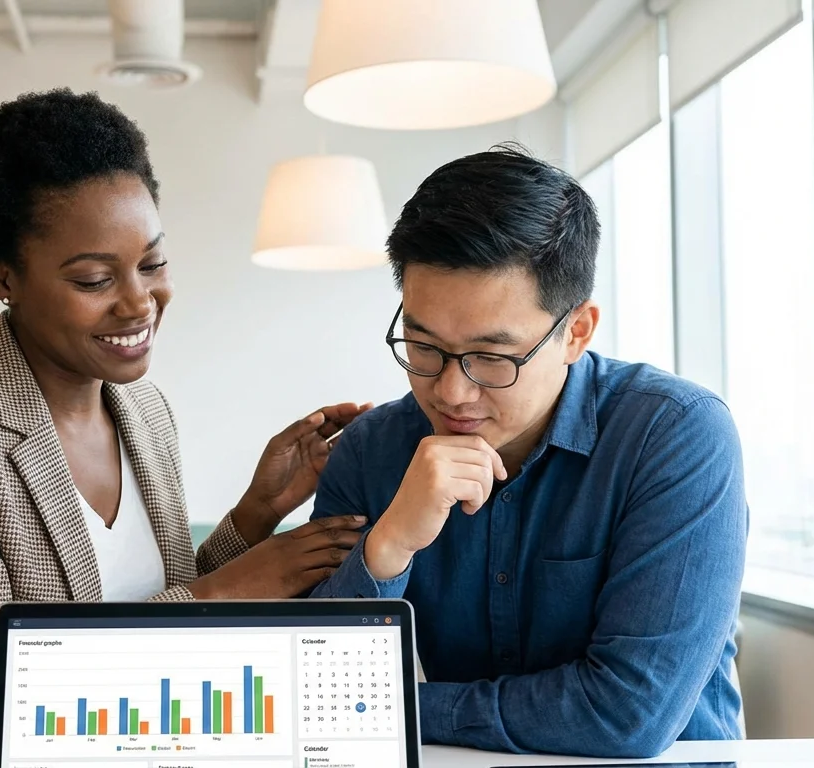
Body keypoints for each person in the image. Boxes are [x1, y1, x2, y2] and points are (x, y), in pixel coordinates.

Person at [0, 89, 369, 764]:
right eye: (94, 279)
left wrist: (255, 516)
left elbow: (152, 604)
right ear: (2, 277)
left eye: (152, 263)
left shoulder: (144, 412)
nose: (140, 302)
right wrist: (227, 591)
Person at [308, 145, 748, 758]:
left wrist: (395, 709)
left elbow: (627, 715)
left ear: (576, 332)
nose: (451, 392)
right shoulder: (369, 451)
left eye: (492, 356)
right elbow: (312, 690)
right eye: (423, 345)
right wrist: (389, 548)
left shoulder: (675, 436)